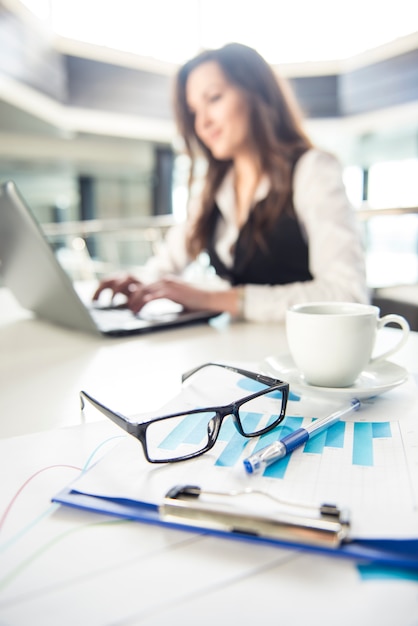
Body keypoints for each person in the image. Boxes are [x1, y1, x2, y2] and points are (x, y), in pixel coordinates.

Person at [93, 42, 369, 321]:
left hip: (301, 354)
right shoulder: (214, 186)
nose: (203, 124)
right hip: (236, 347)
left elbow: (347, 294)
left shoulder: (312, 170)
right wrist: (139, 282)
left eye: (213, 98)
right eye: (194, 112)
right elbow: (168, 263)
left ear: (257, 94)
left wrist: (214, 298)